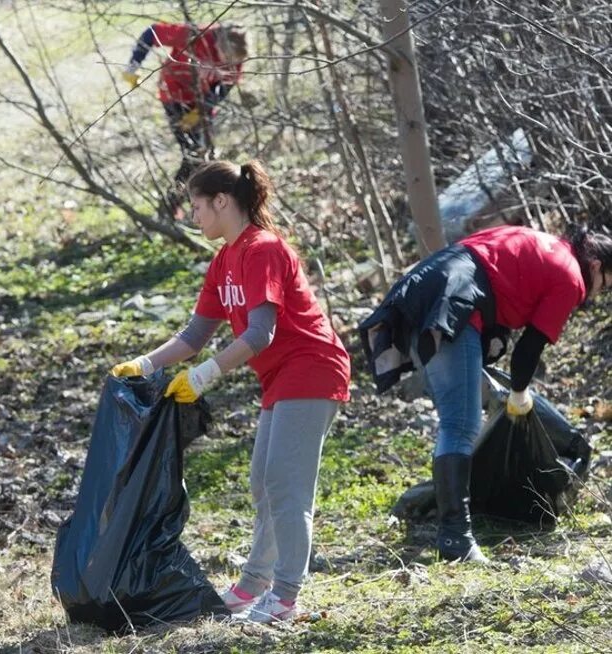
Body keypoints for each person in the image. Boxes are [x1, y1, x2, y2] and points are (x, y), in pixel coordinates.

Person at [111, 160, 350, 623]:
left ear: (222, 202)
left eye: (197, 207)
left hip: (313, 369)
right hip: (280, 376)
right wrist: (144, 364)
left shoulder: (262, 249)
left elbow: (260, 332)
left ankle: (284, 596)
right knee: (263, 482)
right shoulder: (224, 260)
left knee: (285, 486)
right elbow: (193, 336)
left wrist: (203, 376)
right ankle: (253, 585)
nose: (194, 216)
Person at [359, 225, 612, 562]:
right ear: (595, 266)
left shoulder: (542, 243)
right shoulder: (570, 276)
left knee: (457, 422)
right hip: (451, 303)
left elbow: (487, 269)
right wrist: (519, 394)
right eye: (605, 285)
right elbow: (529, 349)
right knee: (460, 424)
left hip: (421, 291)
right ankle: (456, 539)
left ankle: (445, 518)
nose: (595, 294)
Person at [122, 22, 248, 220]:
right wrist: (133, 65)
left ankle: (198, 208)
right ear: (218, 45)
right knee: (193, 155)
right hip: (174, 95)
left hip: (200, 103)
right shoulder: (194, 35)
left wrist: (201, 110)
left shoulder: (238, 54)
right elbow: (151, 32)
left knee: (203, 155)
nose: (227, 63)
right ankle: (172, 208)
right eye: (225, 58)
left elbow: (225, 87)